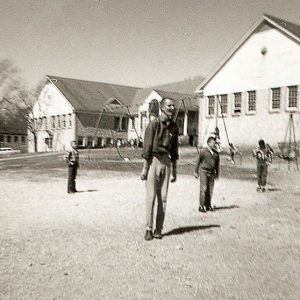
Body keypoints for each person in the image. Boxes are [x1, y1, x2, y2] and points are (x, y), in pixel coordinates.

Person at [142, 98, 179, 241]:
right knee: (151, 196)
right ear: (162, 108)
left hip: (167, 162)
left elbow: (175, 150)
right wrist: (145, 168)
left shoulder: (174, 127)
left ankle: (159, 229)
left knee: (163, 198)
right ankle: (148, 229)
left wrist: (174, 171)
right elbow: (147, 148)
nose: (172, 108)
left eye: (173, 106)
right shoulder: (154, 125)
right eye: (170, 105)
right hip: (153, 161)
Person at [194, 136, 220, 212]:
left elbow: (217, 164)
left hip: (212, 173)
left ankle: (208, 205)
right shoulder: (203, 152)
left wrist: (217, 173)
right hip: (204, 171)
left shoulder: (216, 153)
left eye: (215, 143)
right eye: (212, 142)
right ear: (208, 143)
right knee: (203, 189)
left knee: (210, 189)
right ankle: (201, 206)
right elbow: (198, 161)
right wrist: (196, 171)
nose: (214, 144)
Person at [141, 99, 160, 181]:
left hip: (151, 152)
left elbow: (148, 143)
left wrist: (145, 154)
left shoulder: (151, 124)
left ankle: (144, 170)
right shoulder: (160, 122)